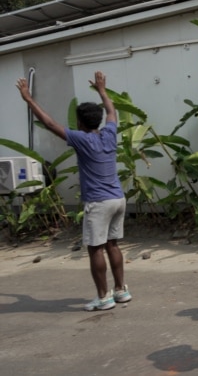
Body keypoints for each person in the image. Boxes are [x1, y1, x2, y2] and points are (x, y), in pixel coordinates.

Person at [16, 71, 131, 312]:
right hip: (118, 198)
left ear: (80, 122)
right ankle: (121, 291)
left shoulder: (80, 139)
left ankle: (103, 297)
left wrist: (28, 99)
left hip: (99, 203)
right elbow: (112, 112)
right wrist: (102, 90)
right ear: (97, 120)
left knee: (96, 248)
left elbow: (49, 124)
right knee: (113, 245)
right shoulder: (109, 134)